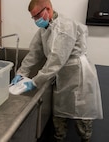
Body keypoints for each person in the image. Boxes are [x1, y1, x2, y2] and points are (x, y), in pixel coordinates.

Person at [11, 0, 103, 142]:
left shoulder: (64, 27)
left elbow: (56, 60)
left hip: (78, 74)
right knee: (60, 112)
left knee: (81, 114)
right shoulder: (45, 29)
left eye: (37, 16)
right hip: (61, 75)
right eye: (33, 17)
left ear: (48, 9)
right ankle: (59, 137)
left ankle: (86, 138)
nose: (36, 20)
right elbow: (34, 53)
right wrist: (21, 73)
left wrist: (35, 82)